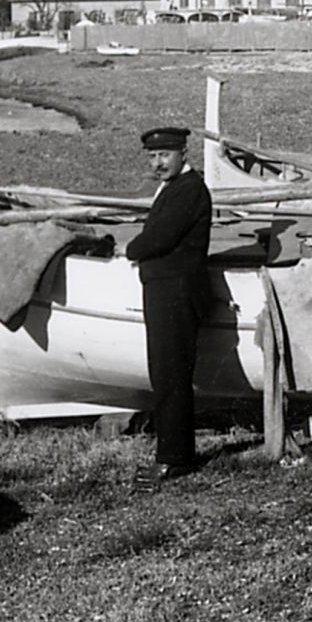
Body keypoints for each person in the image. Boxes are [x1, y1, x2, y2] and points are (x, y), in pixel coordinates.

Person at [123, 125, 213, 488]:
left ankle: (174, 459)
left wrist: (131, 249)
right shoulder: (176, 188)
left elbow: (159, 238)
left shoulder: (188, 190)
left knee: (170, 374)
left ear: (183, 155)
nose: (157, 163)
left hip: (175, 293)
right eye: (152, 157)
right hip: (167, 290)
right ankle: (175, 453)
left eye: (164, 156)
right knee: (166, 372)